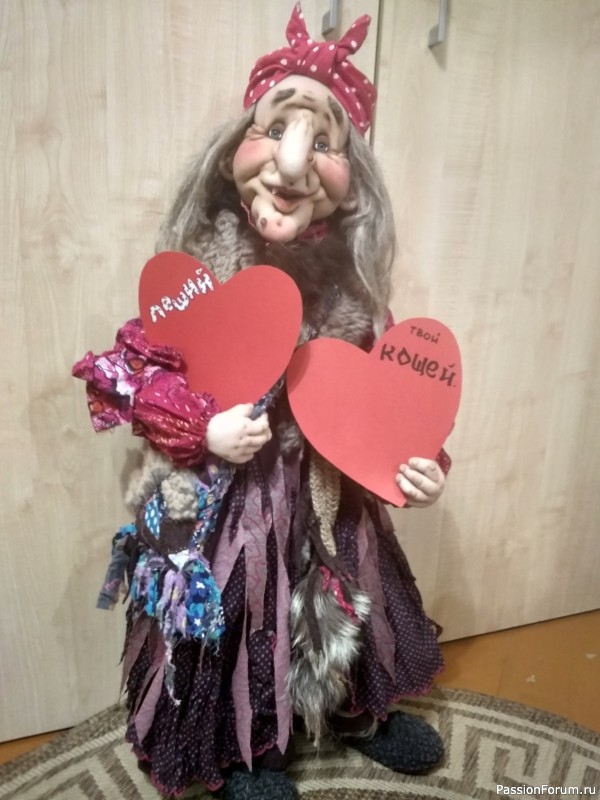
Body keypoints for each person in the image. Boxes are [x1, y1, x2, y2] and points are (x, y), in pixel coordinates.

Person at [73, 5, 451, 799]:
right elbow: (132, 376)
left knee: (352, 591)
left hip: (329, 493)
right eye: (276, 130)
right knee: (244, 611)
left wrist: (420, 462)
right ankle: (248, 747)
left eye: (323, 142)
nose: (292, 163)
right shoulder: (197, 277)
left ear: (352, 184)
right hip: (234, 503)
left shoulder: (352, 292)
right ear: (231, 153)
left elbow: (391, 397)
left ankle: (357, 711)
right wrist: (200, 426)